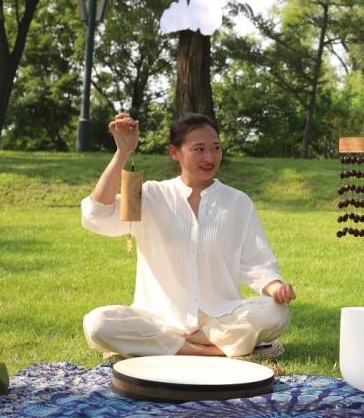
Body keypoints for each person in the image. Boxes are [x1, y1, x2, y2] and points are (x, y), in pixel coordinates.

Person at [81, 112, 296, 360]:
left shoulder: (238, 201)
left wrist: (274, 285)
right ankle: (204, 350)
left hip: (219, 316)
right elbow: (97, 215)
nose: (210, 157)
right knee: (98, 323)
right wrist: (123, 153)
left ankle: (168, 347)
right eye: (199, 149)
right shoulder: (150, 194)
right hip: (159, 318)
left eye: (216, 148)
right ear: (175, 152)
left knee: (276, 312)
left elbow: (256, 261)